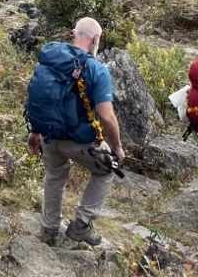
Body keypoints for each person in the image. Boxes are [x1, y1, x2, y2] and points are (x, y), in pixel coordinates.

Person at [27, 16, 124, 248]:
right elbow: (107, 117)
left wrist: (35, 132)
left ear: (74, 33)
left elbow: (41, 97)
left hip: (49, 136)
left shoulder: (52, 57)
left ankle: (49, 230)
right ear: (96, 38)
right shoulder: (96, 70)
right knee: (107, 170)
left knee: (54, 177)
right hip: (80, 141)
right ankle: (81, 225)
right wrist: (117, 148)